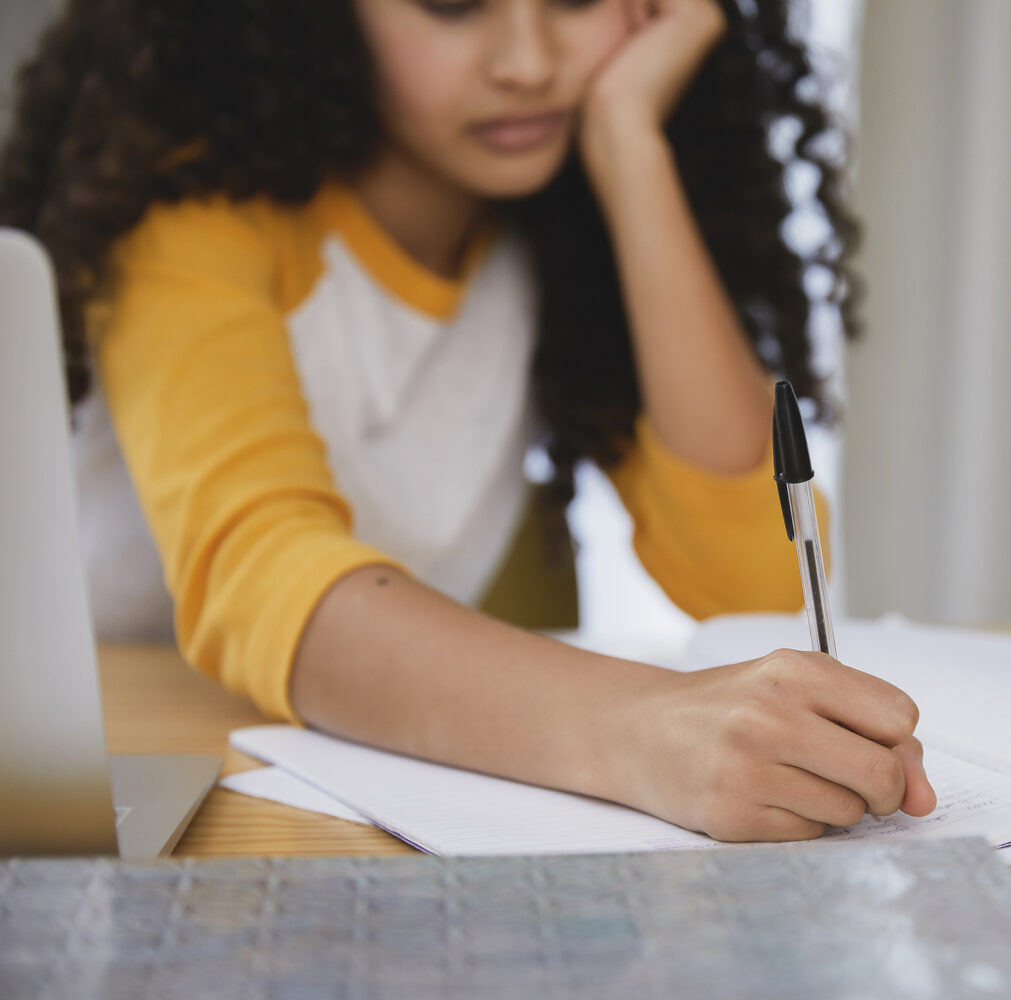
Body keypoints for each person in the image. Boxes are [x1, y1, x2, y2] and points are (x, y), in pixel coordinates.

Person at [0, 0, 936, 841]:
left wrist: (629, 146)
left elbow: (758, 577)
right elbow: (261, 572)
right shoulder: (190, 208)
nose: (528, 63)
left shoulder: (548, 228)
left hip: (352, 778)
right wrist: (642, 729)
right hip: (120, 765)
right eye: (452, 6)